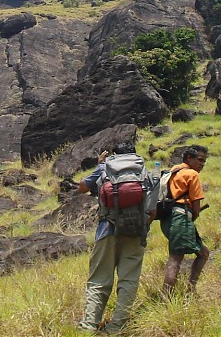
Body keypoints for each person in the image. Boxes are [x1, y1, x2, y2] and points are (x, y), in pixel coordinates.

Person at [77, 141, 157, 335]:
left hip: (107, 230)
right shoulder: (146, 171)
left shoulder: (105, 168)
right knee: (128, 279)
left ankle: (89, 325)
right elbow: (152, 210)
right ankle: (117, 326)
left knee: (99, 279)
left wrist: (99, 164)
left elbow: (81, 188)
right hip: (137, 231)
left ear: (113, 154)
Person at [159, 144, 210, 296]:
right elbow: (196, 206)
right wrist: (194, 216)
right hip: (181, 218)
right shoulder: (192, 174)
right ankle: (166, 299)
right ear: (189, 158)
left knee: (203, 253)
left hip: (167, 219)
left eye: (204, 161)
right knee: (175, 259)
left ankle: (190, 290)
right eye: (200, 160)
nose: (202, 164)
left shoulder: (172, 171)